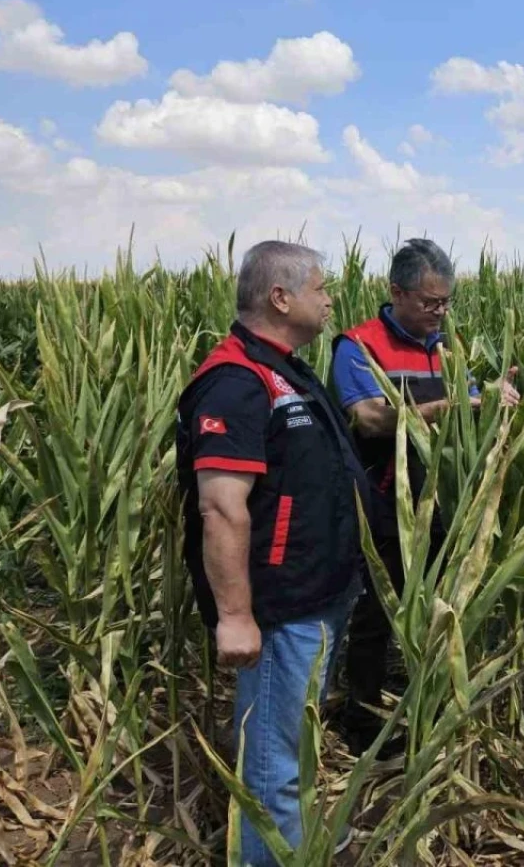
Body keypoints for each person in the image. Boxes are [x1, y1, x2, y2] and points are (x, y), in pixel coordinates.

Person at [175, 241, 368, 864]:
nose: (330, 297)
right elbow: (222, 507)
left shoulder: (285, 368)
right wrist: (235, 616)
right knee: (271, 763)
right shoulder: (236, 382)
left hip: (317, 595)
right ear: (280, 297)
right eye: (320, 287)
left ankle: (301, 847)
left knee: (295, 744)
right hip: (280, 608)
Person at [331, 238, 518, 755]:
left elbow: (469, 400)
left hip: (442, 502)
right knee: (377, 611)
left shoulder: (444, 346)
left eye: (446, 302)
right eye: (430, 302)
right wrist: (445, 406)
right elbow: (366, 418)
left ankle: (428, 703)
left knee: (440, 606)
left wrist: (493, 396)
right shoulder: (359, 345)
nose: (439, 312)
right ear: (396, 292)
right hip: (384, 502)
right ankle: (362, 717)